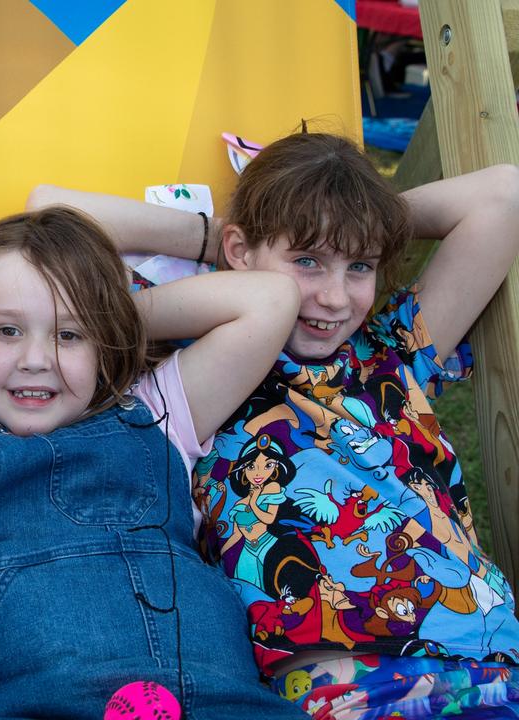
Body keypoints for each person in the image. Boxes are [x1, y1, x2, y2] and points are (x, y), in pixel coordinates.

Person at [28, 131, 519, 718]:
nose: (335, 298)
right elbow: (48, 216)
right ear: (240, 251)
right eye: (307, 260)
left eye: (358, 266)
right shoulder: (202, 363)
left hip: (494, 662)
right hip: (343, 683)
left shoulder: (394, 350)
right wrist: (219, 240)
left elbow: (504, 196)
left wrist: (357, 217)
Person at [0, 206, 308, 718]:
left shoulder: (159, 413)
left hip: (216, 701)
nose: (37, 359)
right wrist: (71, 317)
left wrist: (109, 320)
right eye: (6, 331)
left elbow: (271, 296)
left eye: (69, 336)